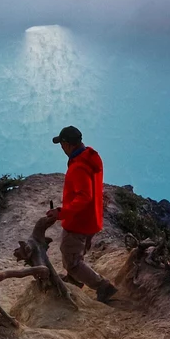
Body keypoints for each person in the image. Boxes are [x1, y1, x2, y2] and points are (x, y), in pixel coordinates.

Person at [46, 126, 118, 303]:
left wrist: (61, 212)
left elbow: (84, 196)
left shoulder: (78, 166)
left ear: (68, 145)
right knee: (76, 251)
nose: (61, 148)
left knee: (71, 257)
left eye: (62, 144)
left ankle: (103, 286)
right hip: (92, 218)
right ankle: (74, 280)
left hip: (79, 221)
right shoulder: (90, 157)